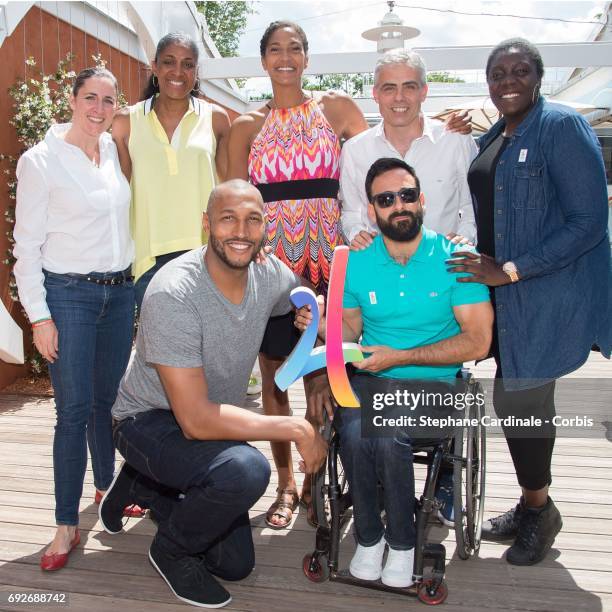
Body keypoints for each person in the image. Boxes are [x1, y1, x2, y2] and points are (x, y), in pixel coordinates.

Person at [99, 180, 327, 608]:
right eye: (228, 219)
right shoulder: (173, 292)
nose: (240, 231)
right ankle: (170, 549)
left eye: (252, 220)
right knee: (244, 470)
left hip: (207, 418)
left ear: (264, 229)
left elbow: (300, 292)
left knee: (234, 564)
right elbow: (196, 420)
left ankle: (146, 486)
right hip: (148, 419)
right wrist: (296, 426)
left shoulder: (267, 271)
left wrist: (308, 307)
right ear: (206, 225)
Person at [448, 38, 611, 566]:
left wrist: (512, 269)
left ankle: (540, 511)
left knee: (520, 404)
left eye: (520, 70)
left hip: (544, 292)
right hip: (505, 299)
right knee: (519, 403)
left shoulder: (561, 126)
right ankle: (531, 503)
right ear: (489, 82)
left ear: (538, 77)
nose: (508, 80)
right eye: (498, 72)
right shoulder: (498, 133)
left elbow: (588, 221)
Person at [297, 158, 492, 586]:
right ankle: (371, 539)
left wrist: (399, 357)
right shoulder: (356, 261)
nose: (398, 205)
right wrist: (323, 324)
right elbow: (349, 327)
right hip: (372, 378)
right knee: (351, 428)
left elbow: (477, 341)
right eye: (386, 199)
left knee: (382, 427)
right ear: (372, 211)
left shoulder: (457, 257)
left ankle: (400, 543)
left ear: (421, 200)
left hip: (437, 384)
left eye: (406, 195)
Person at [226, 20, 368, 528]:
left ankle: (316, 479)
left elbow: (383, 159)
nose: (285, 58)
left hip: (329, 270)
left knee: (321, 378)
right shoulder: (246, 126)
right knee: (273, 379)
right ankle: (285, 483)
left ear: (307, 58)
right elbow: (232, 205)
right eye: (275, 50)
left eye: (295, 49)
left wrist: (449, 133)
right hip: (272, 273)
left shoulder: (336, 110)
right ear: (262, 60)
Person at [13, 67, 137, 571]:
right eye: (91, 97)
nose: (99, 109)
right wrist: (39, 318)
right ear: (71, 98)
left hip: (119, 293)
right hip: (69, 297)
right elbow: (25, 249)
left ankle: (106, 489)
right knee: (73, 410)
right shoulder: (40, 161)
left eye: (109, 100)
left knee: (107, 402)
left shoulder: (109, 150)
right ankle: (66, 524)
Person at [111, 31, 231, 312]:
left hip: (206, 256)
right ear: (154, 66)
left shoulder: (216, 119)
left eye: (188, 64)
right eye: (169, 62)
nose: (178, 72)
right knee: (163, 353)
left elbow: (230, 190)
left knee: (208, 351)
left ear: (196, 71)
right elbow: (119, 193)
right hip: (148, 259)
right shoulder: (126, 121)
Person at [340, 49, 477, 251]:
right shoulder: (354, 150)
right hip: (382, 271)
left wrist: (461, 244)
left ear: (424, 91)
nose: (399, 97)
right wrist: (357, 235)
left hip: (446, 267)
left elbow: (471, 208)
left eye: (409, 87)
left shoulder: (455, 142)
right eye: (389, 88)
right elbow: (352, 213)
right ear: (375, 94)